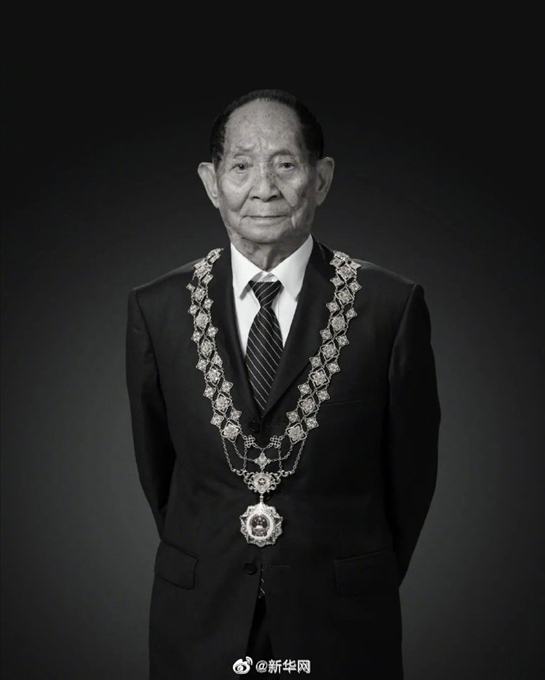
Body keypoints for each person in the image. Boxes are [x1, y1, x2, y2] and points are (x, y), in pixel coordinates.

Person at [125, 89, 441, 680]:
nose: (263, 188)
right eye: (241, 166)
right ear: (211, 182)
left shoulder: (389, 307)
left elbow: (412, 477)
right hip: (200, 619)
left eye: (286, 164)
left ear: (320, 179)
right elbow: (159, 470)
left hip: (342, 622)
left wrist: (357, 572)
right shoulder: (158, 308)